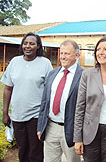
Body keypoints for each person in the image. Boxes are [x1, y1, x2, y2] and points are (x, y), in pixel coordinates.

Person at [1, 32, 53, 162]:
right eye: (25, 43)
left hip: (36, 116)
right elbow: (8, 89)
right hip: (18, 115)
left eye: (32, 43)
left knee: (35, 153)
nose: (28, 46)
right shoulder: (15, 62)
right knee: (22, 150)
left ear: (38, 46)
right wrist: (5, 113)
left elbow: (50, 91)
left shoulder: (45, 63)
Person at [74, 37, 106, 162]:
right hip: (90, 131)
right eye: (98, 49)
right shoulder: (87, 75)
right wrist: (78, 138)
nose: (101, 53)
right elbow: (80, 107)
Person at [37, 40, 83, 162]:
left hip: (71, 130)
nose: (62, 57)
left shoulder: (84, 76)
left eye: (67, 53)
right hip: (51, 126)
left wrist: (80, 136)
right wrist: (41, 127)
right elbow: (44, 102)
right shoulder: (52, 74)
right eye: (61, 53)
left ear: (76, 55)